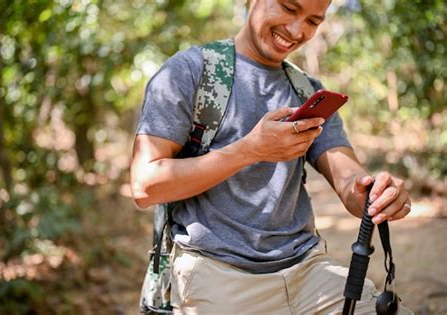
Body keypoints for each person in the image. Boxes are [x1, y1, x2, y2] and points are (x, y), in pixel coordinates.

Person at [131, 0, 413, 313]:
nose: (297, 31)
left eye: (313, 21)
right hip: (217, 273)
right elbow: (145, 186)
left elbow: (348, 179)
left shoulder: (308, 91)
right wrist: (249, 150)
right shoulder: (189, 72)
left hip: (307, 270)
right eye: (289, 9)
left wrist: (373, 194)